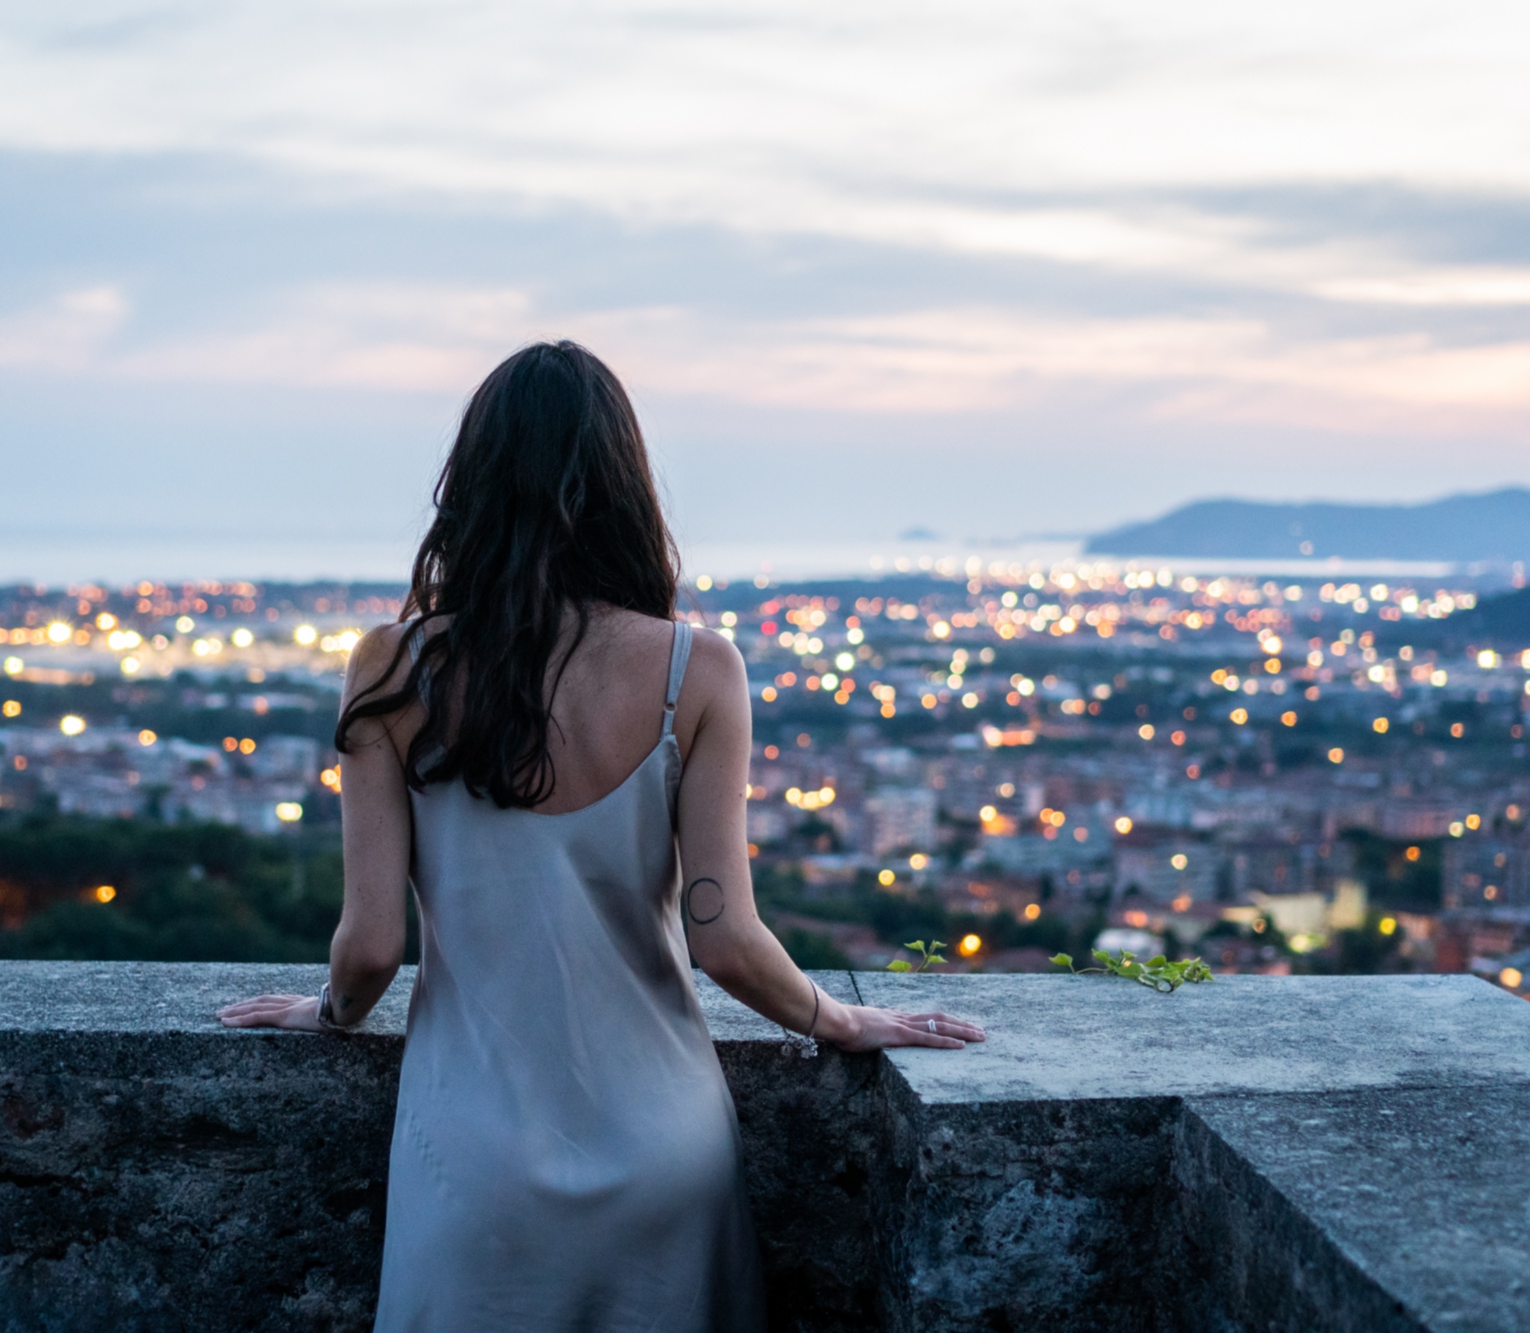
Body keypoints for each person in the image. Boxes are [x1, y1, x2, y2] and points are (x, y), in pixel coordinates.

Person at [218, 341, 984, 1330]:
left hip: (471, 1156)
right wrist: (835, 1020)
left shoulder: (389, 670)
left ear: (472, 486)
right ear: (625, 485)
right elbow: (724, 936)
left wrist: (326, 1012)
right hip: (666, 1144)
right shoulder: (695, 670)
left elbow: (369, 948)